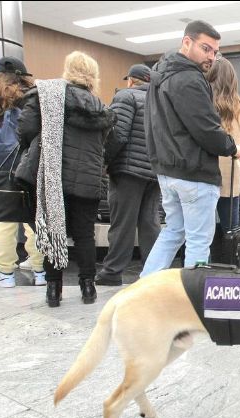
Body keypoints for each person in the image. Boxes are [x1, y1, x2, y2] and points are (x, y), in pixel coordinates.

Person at [140, 20, 240, 276]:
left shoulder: (160, 74)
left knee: (173, 232)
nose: (211, 57)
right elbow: (207, 129)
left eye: (215, 52)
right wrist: (232, 148)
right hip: (194, 173)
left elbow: (152, 124)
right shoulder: (190, 79)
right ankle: (192, 299)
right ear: (187, 42)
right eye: (206, 48)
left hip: (167, 171)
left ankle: (145, 287)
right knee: (198, 241)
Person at [18, 51, 116, 306]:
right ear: (93, 76)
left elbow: (26, 128)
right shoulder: (101, 109)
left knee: (54, 233)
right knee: (85, 235)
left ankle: (53, 290)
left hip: (54, 175)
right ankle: (88, 288)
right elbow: (108, 145)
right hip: (89, 180)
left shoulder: (47, 96)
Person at [95, 64, 159, 287]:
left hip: (128, 171)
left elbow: (118, 135)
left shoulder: (125, 96)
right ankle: (154, 272)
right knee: (150, 223)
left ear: (131, 80)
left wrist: (105, 161)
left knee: (123, 223)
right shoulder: (160, 100)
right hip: (155, 172)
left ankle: (112, 272)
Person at [0, 57, 46, 288]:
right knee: (33, 221)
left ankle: (5, 273)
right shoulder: (33, 96)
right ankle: (40, 270)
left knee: (2, 223)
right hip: (30, 166)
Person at [205, 57, 240, 232]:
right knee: (232, 231)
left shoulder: (203, 105)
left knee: (200, 234)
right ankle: (232, 260)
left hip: (205, 176)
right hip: (232, 178)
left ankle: (201, 261)